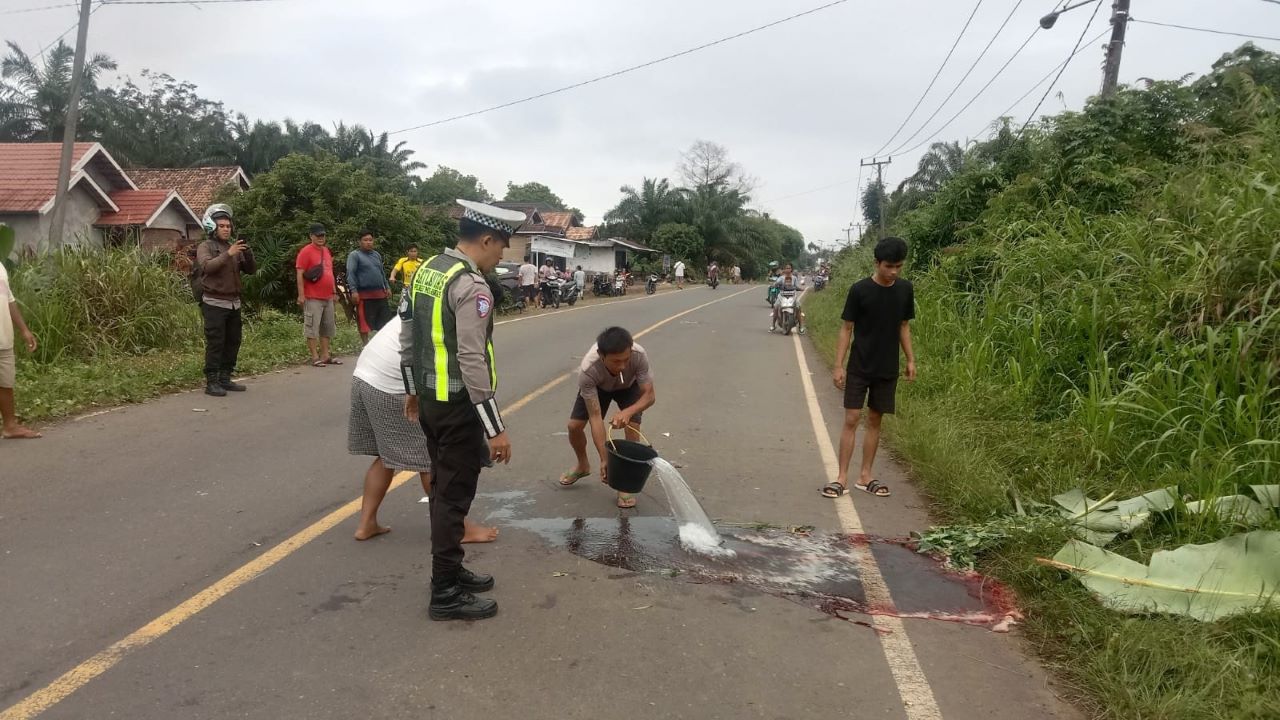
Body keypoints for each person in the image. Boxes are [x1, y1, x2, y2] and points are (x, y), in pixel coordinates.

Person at [400, 199, 525, 622]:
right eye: (501, 247)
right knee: (454, 497)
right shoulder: (472, 286)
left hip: (433, 403)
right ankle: (445, 591)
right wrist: (496, 428)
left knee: (442, 488)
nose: (502, 256)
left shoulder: (428, 270)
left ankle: (452, 571)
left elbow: (408, 335)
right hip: (459, 408)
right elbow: (472, 358)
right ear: (486, 239)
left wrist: (412, 391)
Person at [349, 314, 497, 544]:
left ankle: (366, 523)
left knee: (386, 455)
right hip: (393, 384)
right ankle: (458, 529)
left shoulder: (429, 297)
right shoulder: (454, 313)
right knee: (431, 460)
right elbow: (462, 366)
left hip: (366, 376)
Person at [825, 237, 916, 500]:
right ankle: (841, 477)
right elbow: (846, 328)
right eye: (889, 266)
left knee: (875, 420)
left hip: (887, 366)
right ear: (877, 263)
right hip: (859, 365)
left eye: (899, 266)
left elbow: (903, 326)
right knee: (852, 418)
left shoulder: (905, 289)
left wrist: (910, 359)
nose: (894, 272)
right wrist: (838, 365)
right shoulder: (859, 290)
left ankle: (865, 476)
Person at [559, 327, 656, 509]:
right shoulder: (588, 370)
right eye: (616, 361)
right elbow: (596, 418)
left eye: (626, 360)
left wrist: (628, 412)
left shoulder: (639, 355)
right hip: (599, 388)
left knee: (632, 425)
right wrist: (606, 460)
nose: (622, 366)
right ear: (601, 355)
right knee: (574, 426)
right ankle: (583, 465)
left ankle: (624, 483)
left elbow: (649, 396)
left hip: (629, 386)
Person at [196, 204, 256, 397]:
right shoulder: (206, 246)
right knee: (216, 342)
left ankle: (225, 377)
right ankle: (211, 381)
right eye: (221, 225)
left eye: (228, 226)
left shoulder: (235, 247)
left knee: (233, 341)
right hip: (214, 302)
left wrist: (247, 253)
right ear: (212, 227)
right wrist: (228, 254)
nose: (226, 228)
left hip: (233, 302)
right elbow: (207, 266)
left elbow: (251, 270)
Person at [0, 258, 39, 439]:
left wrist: (24, 330)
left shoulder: (0, 267)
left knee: (6, 383)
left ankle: (10, 426)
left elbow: (10, 300)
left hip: (4, 337)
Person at [295, 223, 339, 368]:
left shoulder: (326, 251)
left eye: (323, 235)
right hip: (312, 296)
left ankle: (325, 355)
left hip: (327, 296)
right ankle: (314, 356)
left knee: (327, 326)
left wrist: (334, 291)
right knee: (312, 326)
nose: (321, 238)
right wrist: (301, 295)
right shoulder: (305, 252)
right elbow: (300, 273)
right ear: (311, 236)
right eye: (318, 235)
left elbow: (329, 272)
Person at [347, 230, 393, 344]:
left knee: (385, 322)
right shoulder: (355, 255)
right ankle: (365, 346)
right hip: (364, 296)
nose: (368, 242)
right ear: (359, 242)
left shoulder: (376, 255)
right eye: (365, 240)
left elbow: (381, 272)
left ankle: (382, 345)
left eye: (370, 240)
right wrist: (354, 291)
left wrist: (387, 287)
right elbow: (350, 273)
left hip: (380, 294)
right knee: (364, 323)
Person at [769, 262, 807, 335]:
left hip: (792, 295)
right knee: (776, 307)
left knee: (798, 307)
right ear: (784, 269)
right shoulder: (781, 278)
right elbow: (776, 283)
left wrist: (801, 289)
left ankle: (801, 327)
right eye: (786, 268)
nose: (788, 269)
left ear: (791, 269)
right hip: (782, 295)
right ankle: (773, 325)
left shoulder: (794, 278)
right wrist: (774, 285)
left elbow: (795, 287)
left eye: (789, 268)